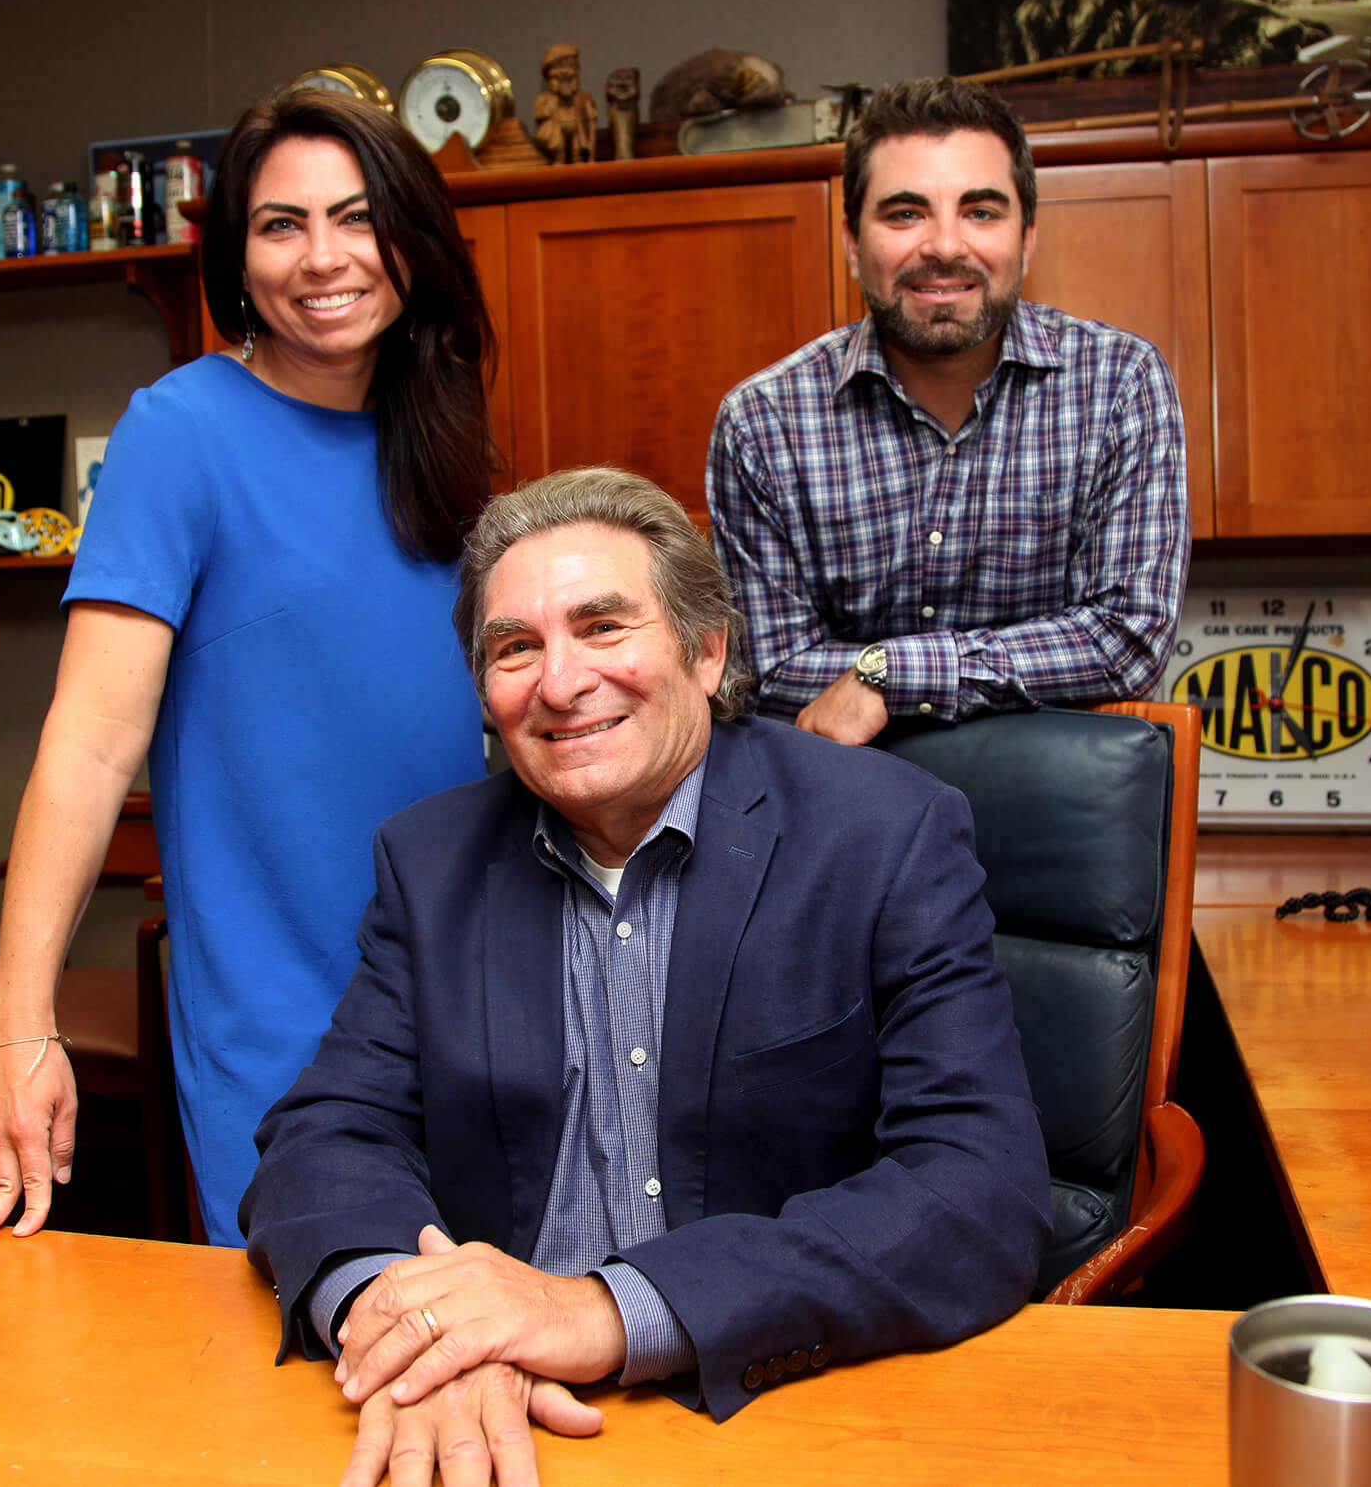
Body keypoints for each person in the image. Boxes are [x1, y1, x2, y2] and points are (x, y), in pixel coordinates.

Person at [240, 467, 1048, 1481]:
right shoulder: (430, 859)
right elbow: (325, 1133)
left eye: (602, 626)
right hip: (499, 1418)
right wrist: (408, 1314)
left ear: (706, 650)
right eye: (514, 647)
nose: (560, 680)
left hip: (773, 1409)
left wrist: (602, 1310)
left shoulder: (884, 832)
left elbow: (979, 1187)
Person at [0, 88, 496, 1246]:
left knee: (473, 1352)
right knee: (305, 1349)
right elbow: (92, 743)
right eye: (279, 224)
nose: (323, 257)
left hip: (465, 993)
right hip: (280, 1007)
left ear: (411, 241)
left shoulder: (438, 433)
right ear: (236, 262)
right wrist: (18, 1013)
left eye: (355, 217)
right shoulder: (181, 428)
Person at [705, 75, 1189, 748]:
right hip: (850, 827)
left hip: (1066, 827)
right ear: (852, 242)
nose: (944, 245)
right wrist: (1020, 663)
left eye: (981, 212)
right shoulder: (763, 423)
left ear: (1028, 238)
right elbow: (770, 670)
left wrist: (889, 672)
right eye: (905, 214)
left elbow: (1127, 637)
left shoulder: (1119, 385)